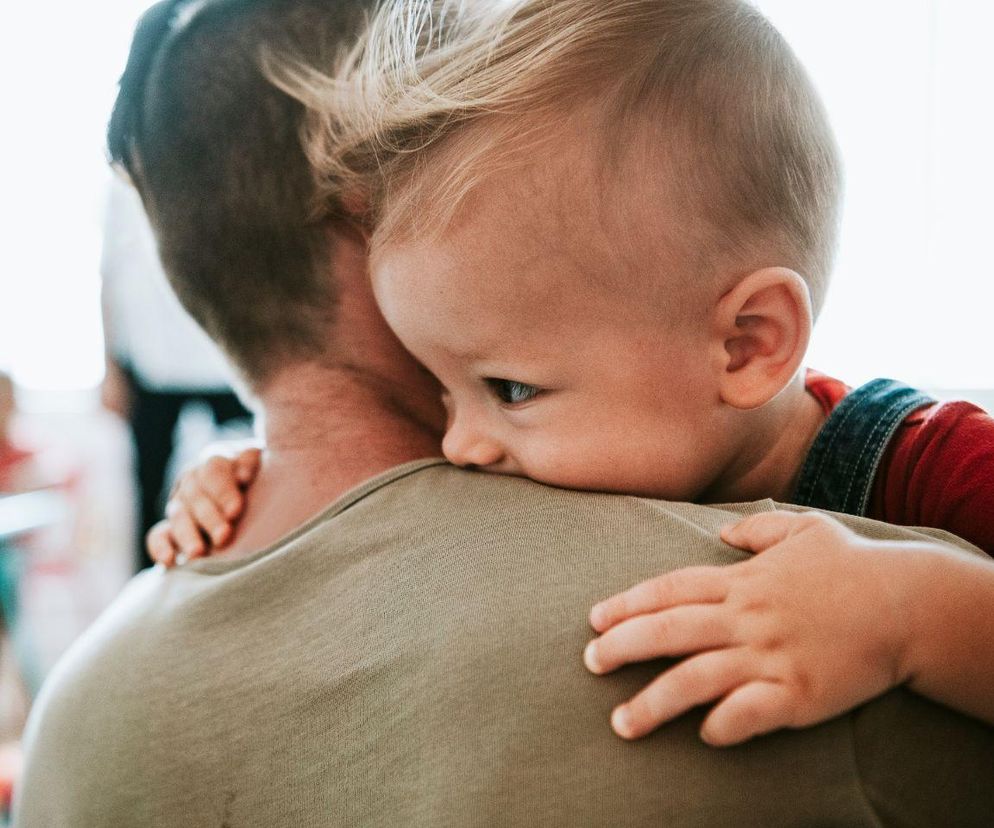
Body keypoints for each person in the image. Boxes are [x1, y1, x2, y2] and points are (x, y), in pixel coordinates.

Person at [14, 1, 994, 826]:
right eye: (447, 386)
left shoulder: (938, 469)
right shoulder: (629, 430)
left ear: (744, 347)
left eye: (507, 390)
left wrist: (908, 614)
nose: (460, 442)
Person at [100, 174, 252, 570]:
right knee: (148, 488)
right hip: (150, 366)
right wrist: (110, 369)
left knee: (247, 475)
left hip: (223, 359)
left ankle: (242, 568)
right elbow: (108, 278)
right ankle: (146, 583)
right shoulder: (119, 193)